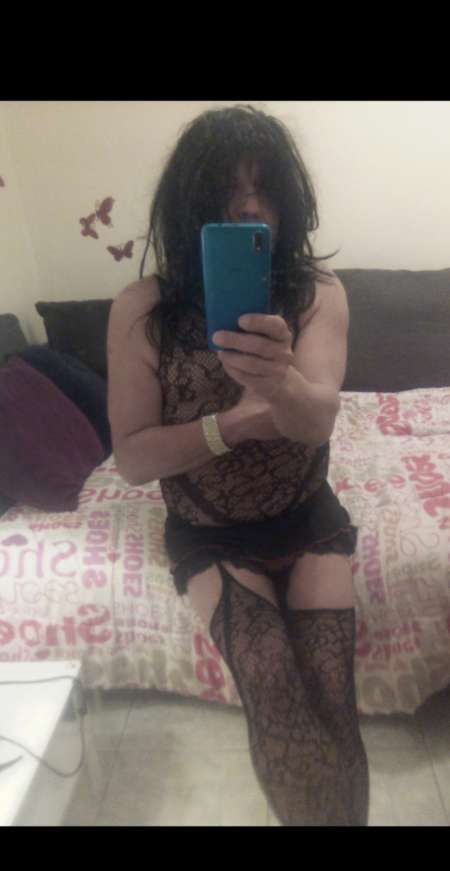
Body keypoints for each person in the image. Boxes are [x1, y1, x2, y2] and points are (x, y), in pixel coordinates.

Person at [107, 103, 369, 826]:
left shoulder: (318, 293)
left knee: (331, 687)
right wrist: (231, 425)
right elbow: (132, 458)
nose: (250, 206)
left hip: (306, 514)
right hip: (210, 530)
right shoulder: (141, 311)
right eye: (227, 190)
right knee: (272, 681)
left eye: (264, 188)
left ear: (288, 199)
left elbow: (316, 420)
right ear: (189, 205)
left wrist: (280, 381)